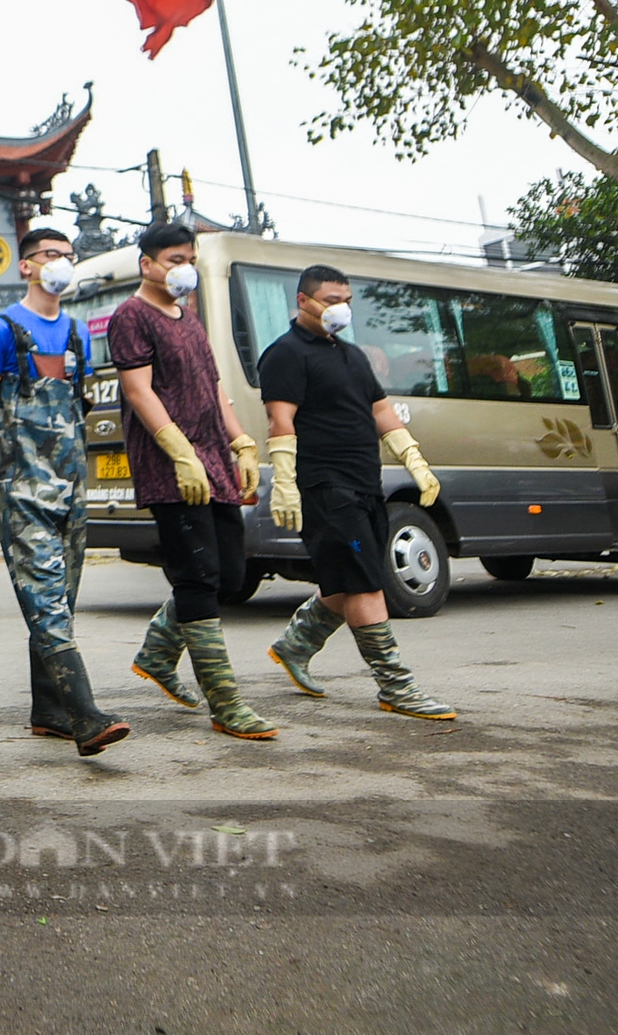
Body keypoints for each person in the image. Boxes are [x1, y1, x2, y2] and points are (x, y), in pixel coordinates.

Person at [259, 265, 455, 719]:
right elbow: (280, 420)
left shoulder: (352, 356)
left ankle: (295, 645)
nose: (341, 308)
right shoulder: (285, 354)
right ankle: (395, 685)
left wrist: (416, 461)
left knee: (351, 574)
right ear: (303, 301)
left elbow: (382, 411)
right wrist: (284, 482)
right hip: (325, 485)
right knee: (366, 580)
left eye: (346, 299)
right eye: (331, 299)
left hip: (366, 482)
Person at [0, 227, 129, 758]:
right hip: (23, 487)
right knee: (44, 599)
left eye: (68, 256)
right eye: (50, 255)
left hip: (71, 485)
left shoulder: (78, 332)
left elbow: (78, 405)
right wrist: (14, 459)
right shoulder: (2, 329)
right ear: (27, 267)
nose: (61, 263)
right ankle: (84, 715)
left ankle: (47, 710)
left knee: (62, 598)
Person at [111, 223, 276, 740]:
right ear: (148, 264)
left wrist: (242, 442)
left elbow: (214, 386)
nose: (184, 267)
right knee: (198, 578)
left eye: (189, 257)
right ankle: (225, 703)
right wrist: (181, 453)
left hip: (214, 458)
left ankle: (158, 653)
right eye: (174, 258)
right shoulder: (131, 316)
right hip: (172, 464)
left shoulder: (190, 317)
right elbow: (139, 391)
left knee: (228, 576)